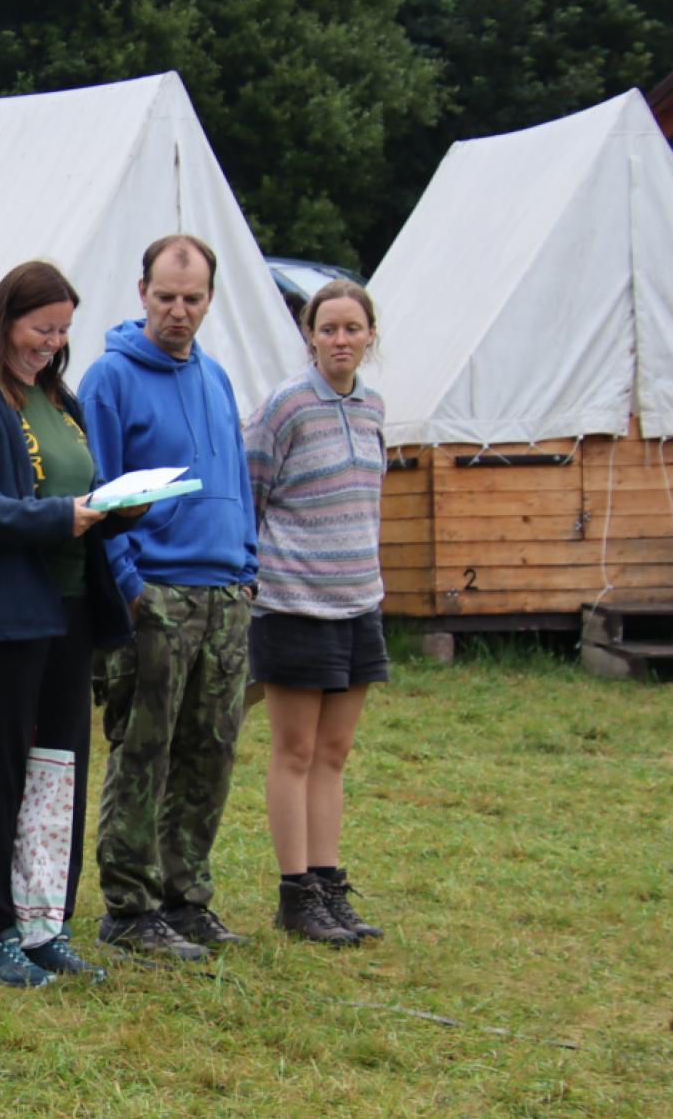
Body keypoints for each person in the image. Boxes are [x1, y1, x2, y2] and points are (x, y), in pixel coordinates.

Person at [0, 261, 144, 987]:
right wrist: (55, 518)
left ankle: (45, 926)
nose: (51, 343)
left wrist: (117, 507)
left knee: (56, 773)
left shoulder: (59, 398)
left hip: (68, 609)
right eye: (40, 328)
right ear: (5, 321)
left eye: (62, 331)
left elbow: (78, 490)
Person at [77, 233, 258, 962]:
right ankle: (130, 905)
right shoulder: (109, 379)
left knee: (210, 752)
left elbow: (236, 475)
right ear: (141, 293)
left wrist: (248, 562)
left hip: (225, 591)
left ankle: (187, 896)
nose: (178, 311)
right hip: (155, 591)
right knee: (143, 750)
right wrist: (128, 586)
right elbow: (96, 489)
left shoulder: (217, 378)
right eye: (165, 297)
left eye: (192, 298)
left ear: (210, 300)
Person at [244, 280, 389, 947]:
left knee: (334, 752)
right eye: (328, 328)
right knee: (296, 750)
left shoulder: (373, 407)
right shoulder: (286, 406)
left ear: (370, 335)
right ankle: (296, 892)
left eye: (352, 328)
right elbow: (251, 489)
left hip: (359, 602)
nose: (340, 340)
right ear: (309, 335)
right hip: (294, 603)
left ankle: (329, 885)